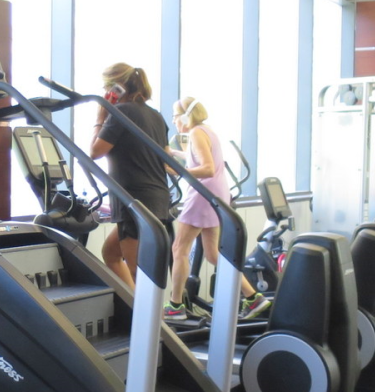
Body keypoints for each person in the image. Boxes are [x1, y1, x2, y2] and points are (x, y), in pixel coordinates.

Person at [163, 97, 270, 321]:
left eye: (175, 116)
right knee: (212, 254)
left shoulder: (196, 133)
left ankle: (175, 306)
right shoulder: (206, 131)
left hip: (202, 195)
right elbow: (197, 158)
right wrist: (173, 154)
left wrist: (179, 172)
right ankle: (253, 297)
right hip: (216, 195)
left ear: (186, 116)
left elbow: (207, 168)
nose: (173, 121)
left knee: (179, 249)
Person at [89, 64, 171, 290]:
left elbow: (95, 152)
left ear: (115, 89)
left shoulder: (121, 113)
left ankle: (146, 311)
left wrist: (101, 116)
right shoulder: (156, 116)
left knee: (139, 272)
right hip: (157, 197)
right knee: (111, 253)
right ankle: (133, 304)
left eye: (106, 87)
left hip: (133, 198)